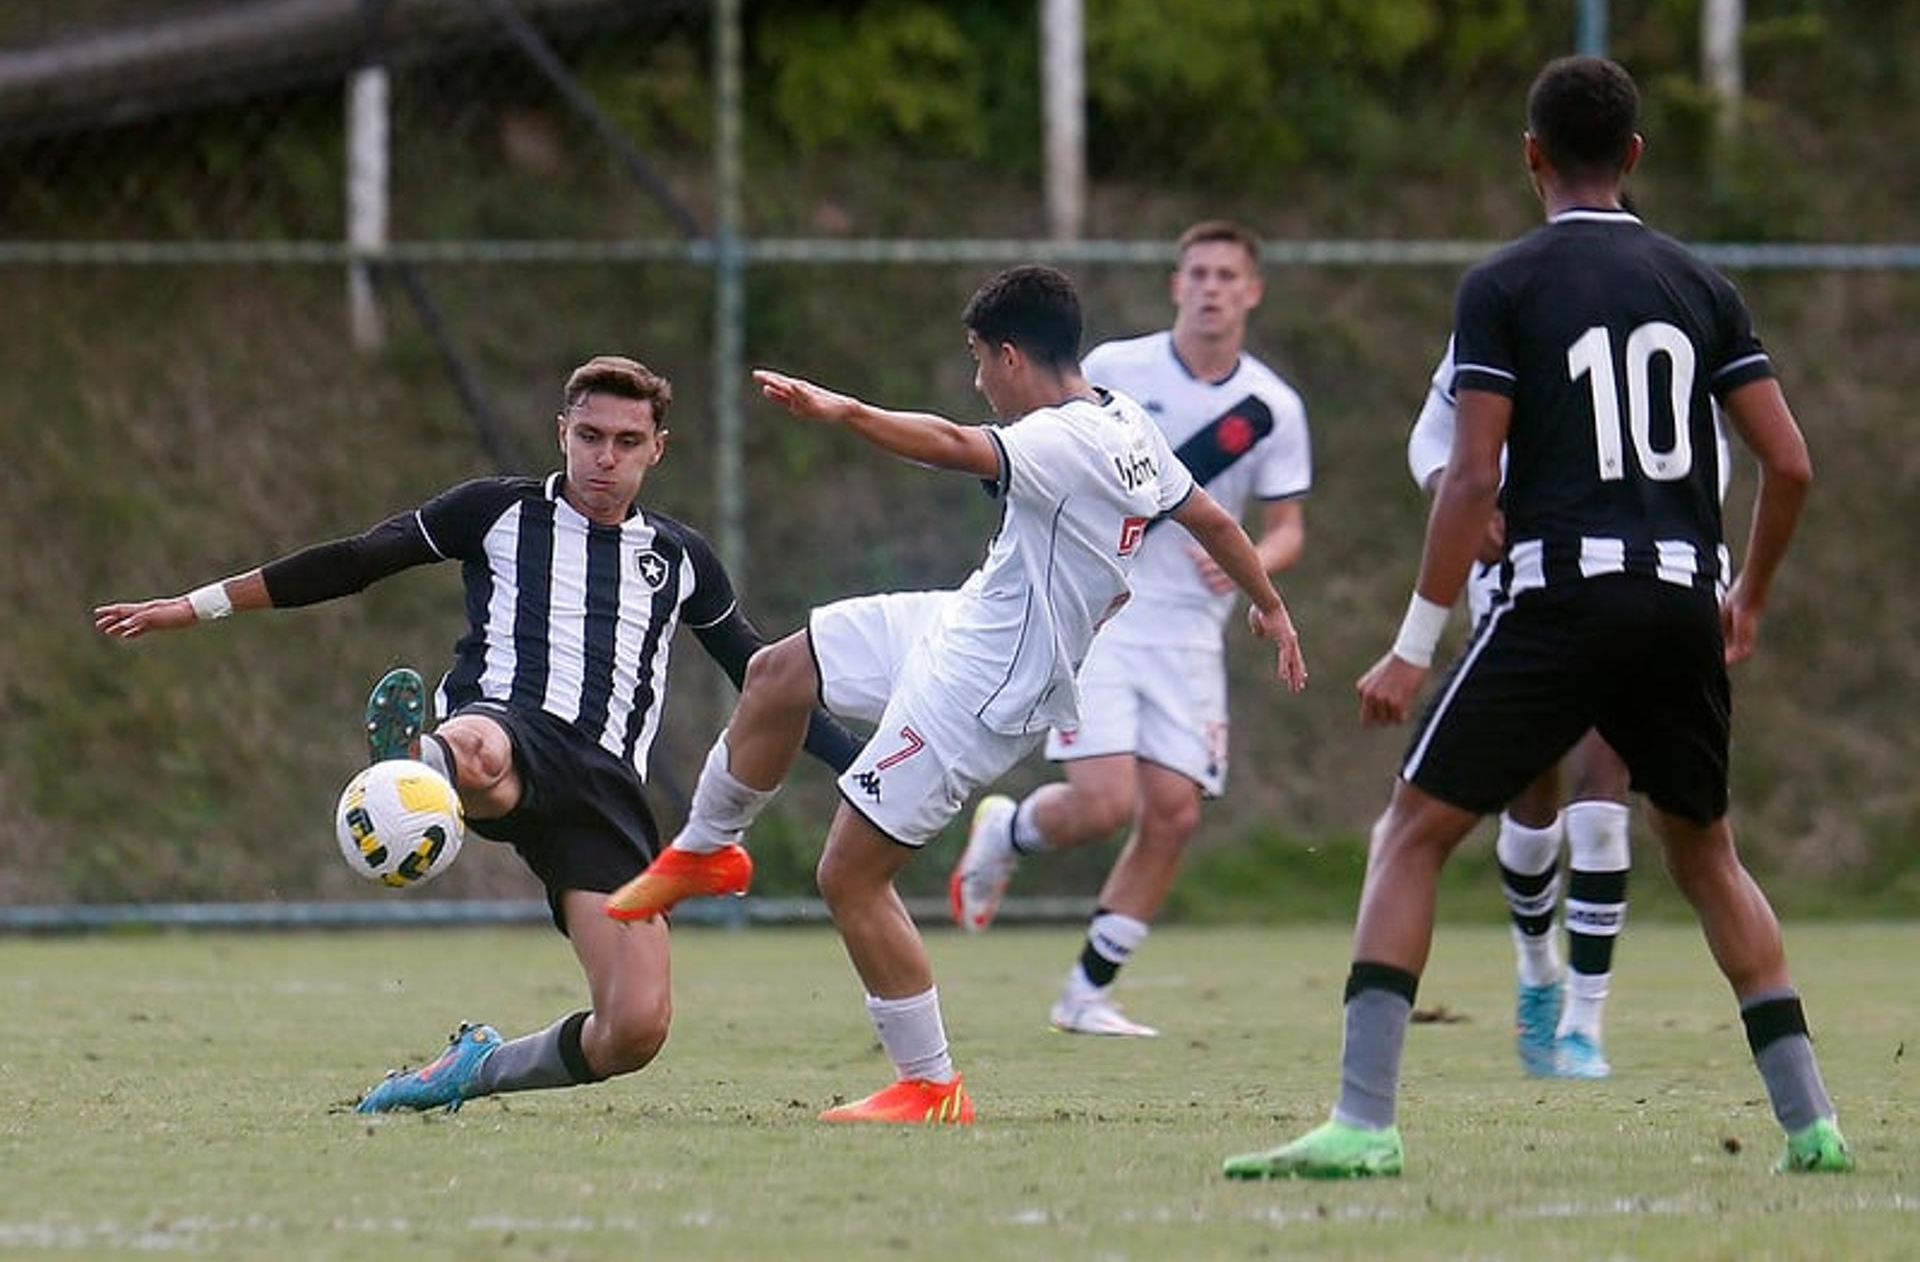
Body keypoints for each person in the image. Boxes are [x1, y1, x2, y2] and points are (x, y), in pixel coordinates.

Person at [1223, 56, 1851, 1179]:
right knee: (1708, 854)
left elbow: (1470, 484)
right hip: (1678, 599)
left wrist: (1413, 646)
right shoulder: (1702, 285)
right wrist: (1744, 595)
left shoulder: (1503, 284)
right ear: (1636, 157)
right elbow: (1790, 463)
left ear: (1529, 155)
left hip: (1563, 596)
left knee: (1410, 832)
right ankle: (1814, 1124)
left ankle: (1364, 1123)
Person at [603, 266, 1308, 1124]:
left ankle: (932, 1084)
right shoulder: (1126, 422)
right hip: (959, 622)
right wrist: (1271, 607)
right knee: (778, 671)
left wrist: (844, 411)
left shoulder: (1063, 441)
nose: (978, 381)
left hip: (983, 688)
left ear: (1011, 357)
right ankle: (711, 846)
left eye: (979, 361)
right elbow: (1215, 521)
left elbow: (948, 442)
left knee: (850, 876)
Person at [94, 355, 861, 1114]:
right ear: (562, 432)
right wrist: (196, 606)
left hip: (604, 789)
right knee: (485, 753)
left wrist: (866, 770)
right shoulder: (496, 510)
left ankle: (475, 1067)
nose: (605, 457)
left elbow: (767, 682)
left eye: (627, 441)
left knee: (632, 1030)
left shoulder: (682, 558)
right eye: (589, 435)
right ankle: (416, 768)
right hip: (508, 723)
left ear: (657, 448)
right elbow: (358, 560)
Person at [948, 221, 1311, 1039]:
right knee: (1106, 801)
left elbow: (1285, 526)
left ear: (1251, 291)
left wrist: (1261, 568)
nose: (1212, 287)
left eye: (1228, 274)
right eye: (1199, 273)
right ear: (1177, 285)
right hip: (1103, 612)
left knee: (1174, 813)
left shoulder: (1273, 407)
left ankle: (1085, 995)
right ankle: (1007, 828)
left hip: (1192, 631)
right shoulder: (1113, 370)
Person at [1409, 338, 1631, 1080]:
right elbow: (1432, 435)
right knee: (1532, 796)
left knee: (1605, 795)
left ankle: (1584, 1024)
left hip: (1629, 577)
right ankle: (1538, 969)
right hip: (1519, 582)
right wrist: (1458, 490)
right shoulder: (1513, 301)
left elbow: (1710, 452)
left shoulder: (1664, 303)